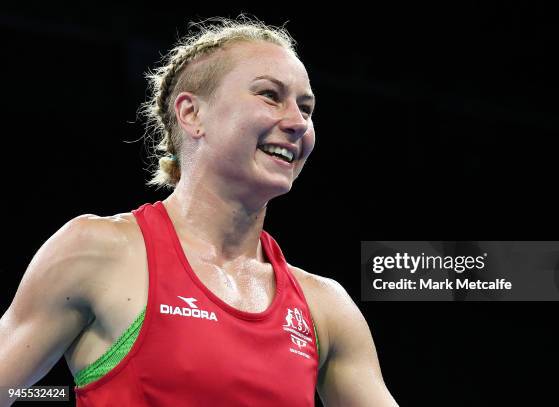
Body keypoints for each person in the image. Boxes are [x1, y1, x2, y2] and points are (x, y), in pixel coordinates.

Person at [0, 17, 398, 406]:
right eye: (269, 95)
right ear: (192, 114)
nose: (297, 122)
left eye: (306, 108)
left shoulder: (324, 308)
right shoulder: (97, 253)